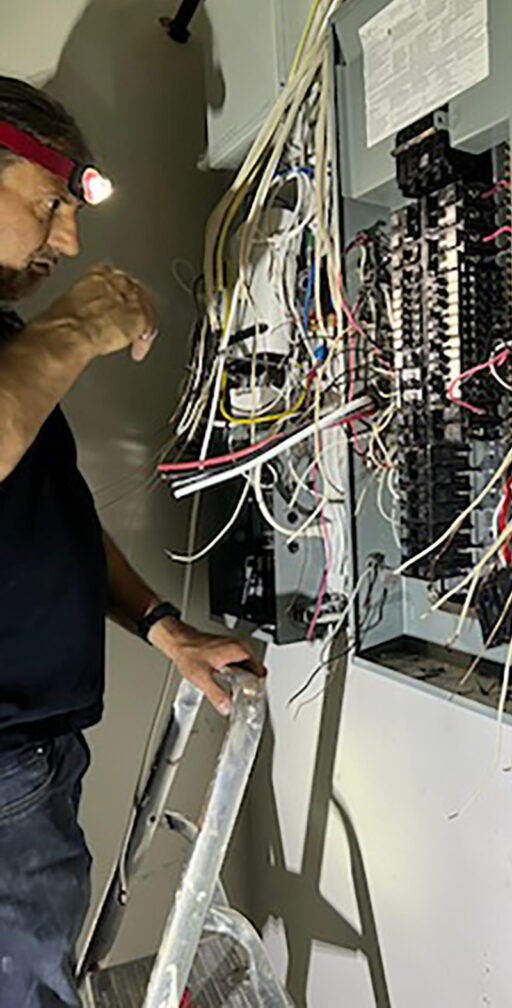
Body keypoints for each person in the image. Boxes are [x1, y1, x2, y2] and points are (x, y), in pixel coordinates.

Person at [0, 76, 264, 1007]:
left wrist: (160, 624)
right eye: (52, 202)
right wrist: (76, 325)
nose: (68, 239)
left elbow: (45, 514)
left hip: (30, 764)